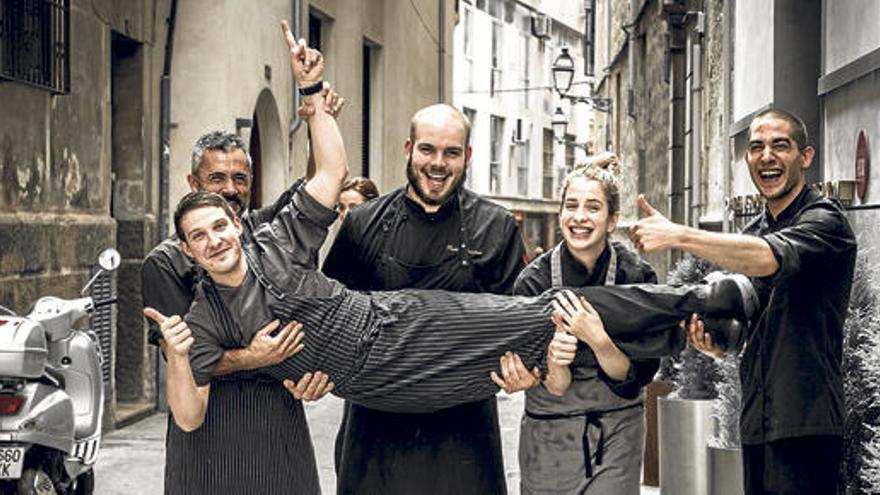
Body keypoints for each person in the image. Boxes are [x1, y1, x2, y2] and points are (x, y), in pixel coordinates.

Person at [148, 188, 756, 426]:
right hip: (380, 386)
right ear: (188, 249)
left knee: (543, 319)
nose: (215, 241)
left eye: (220, 227)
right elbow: (189, 415)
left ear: (235, 225)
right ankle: (691, 314)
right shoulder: (200, 318)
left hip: (400, 323)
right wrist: (182, 356)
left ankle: (689, 316)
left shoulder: (271, 247)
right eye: (199, 237)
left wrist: (311, 93)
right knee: (537, 336)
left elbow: (329, 171)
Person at [140, 21, 336, 494]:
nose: (230, 190)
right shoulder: (165, 262)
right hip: (207, 434)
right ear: (193, 186)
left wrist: (315, 111)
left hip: (278, 424)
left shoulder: (265, 236)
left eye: (240, 180)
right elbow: (184, 362)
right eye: (217, 180)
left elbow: (319, 186)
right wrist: (256, 355)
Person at [628, 108, 857, 494]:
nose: (766, 156)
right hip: (756, 423)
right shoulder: (752, 232)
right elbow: (752, 322)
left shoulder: (825, 222)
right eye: (756, 147)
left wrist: (680, 235)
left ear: (806, 157)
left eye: (779, 146)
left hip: (807, 426)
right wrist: (719, 346)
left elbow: (769, 257)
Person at [321, 103, 528, 495]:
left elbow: (517, 325)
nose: (438, 164)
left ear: (467, 157)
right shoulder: (363, 224)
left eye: (451, 153)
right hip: (374, 433)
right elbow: (330, 321)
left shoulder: (496, 227)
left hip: (463, 437)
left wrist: (520, 370)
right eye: (428, 150)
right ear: (408, 149)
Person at [513, 154, 659, 494]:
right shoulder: (532, 284)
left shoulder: (636, 277)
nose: (579, 217)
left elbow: (638, 375)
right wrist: (554, 360)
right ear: (560, 212)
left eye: (593, 207)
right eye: (571, 205)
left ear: (612, 220)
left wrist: (599, 341)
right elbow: (555, 385)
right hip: (548, 439)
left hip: (618, 436)